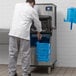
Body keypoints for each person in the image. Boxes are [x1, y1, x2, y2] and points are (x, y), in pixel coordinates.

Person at [8, 0, 42, 76]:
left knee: (12, 54)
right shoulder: (32, 10)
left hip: (13, 32)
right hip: (23, 34)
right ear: (33, 3)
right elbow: (37, 22)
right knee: (25, 55)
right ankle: (25, 73)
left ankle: (11, 73)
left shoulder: (17, 5)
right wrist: (39, 32)